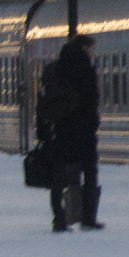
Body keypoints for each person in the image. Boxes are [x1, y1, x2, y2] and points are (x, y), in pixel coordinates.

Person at [41, 32, 104, 232]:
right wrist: (92, 122)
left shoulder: (55, 67)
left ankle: (59, 219)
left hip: (61, 129)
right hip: (83, 130)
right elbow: (90, 101)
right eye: (92, 48)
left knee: (59, 177)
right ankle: (88, 218)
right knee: (90, 173)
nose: (93, 52)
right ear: (85, 48)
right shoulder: (85, 69)